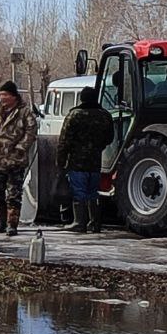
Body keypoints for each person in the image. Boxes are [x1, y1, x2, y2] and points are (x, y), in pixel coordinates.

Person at [56, 86, 115, 233]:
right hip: (95, 162)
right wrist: (98, 147)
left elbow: (64, 141)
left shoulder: (74, 115)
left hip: (77, 162)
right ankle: (95, 223)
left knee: (79, 191)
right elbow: (110, 138)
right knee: (93, 192)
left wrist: (60, 161)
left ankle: (79, 222)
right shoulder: (105, 115)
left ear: (82, 98)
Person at [0, 80, 38, 237]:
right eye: (1, 94)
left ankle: (12, 224)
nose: (2, 98)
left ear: (14, 96)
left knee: (13, 194)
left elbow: (31, 132)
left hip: (16, 161)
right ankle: (1, 221)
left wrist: (20, 148)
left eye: (6, 95)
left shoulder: (24, 112)